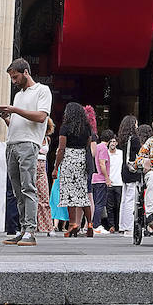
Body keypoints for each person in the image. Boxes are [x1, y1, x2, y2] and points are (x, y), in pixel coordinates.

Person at [0, 58, 51, 246]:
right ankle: (23, 229)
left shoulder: (42, 90)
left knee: (28, 187)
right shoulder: (19, 95)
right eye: (12, 78)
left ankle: (30, 230)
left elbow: (41, 116)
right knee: (17, 190)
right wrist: (7, 118)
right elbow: (18, 123)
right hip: (12, 143)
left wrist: (14, 109)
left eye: (15, 77)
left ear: (26, 72)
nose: (14, 81)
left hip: (28, 144)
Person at [52, 101, 95, 236]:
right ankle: (89, 224)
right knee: (83, 194)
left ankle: (73, 224)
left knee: (69, 194)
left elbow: (61, 149)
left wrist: (55, 168)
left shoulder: (66, 127)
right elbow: (88, 145)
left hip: (69, 160)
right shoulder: (87, 127)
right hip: (82, 159)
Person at [116, 115, 141, 234]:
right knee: (132, 198)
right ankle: (130, 226)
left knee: (125, 199)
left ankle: (123, 224)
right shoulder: (135, 139)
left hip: (124, 170)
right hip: (132, 170)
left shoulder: (123, 139)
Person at [91, 128, 113, 233]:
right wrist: (107, 178)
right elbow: (102, 163)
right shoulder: (104, 148)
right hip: (100, 179)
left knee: (94, 202)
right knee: (100, 203)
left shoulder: (97, 147)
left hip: (94, 178)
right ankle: (96, 225)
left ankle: (92, 224)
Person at [36, 120, 55, 235]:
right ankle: (31, 226)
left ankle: (48, 227)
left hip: (42, 167)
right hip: (32, 166)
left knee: (44, 198)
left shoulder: (47, 139)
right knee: (30, 198)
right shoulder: (33, 138)